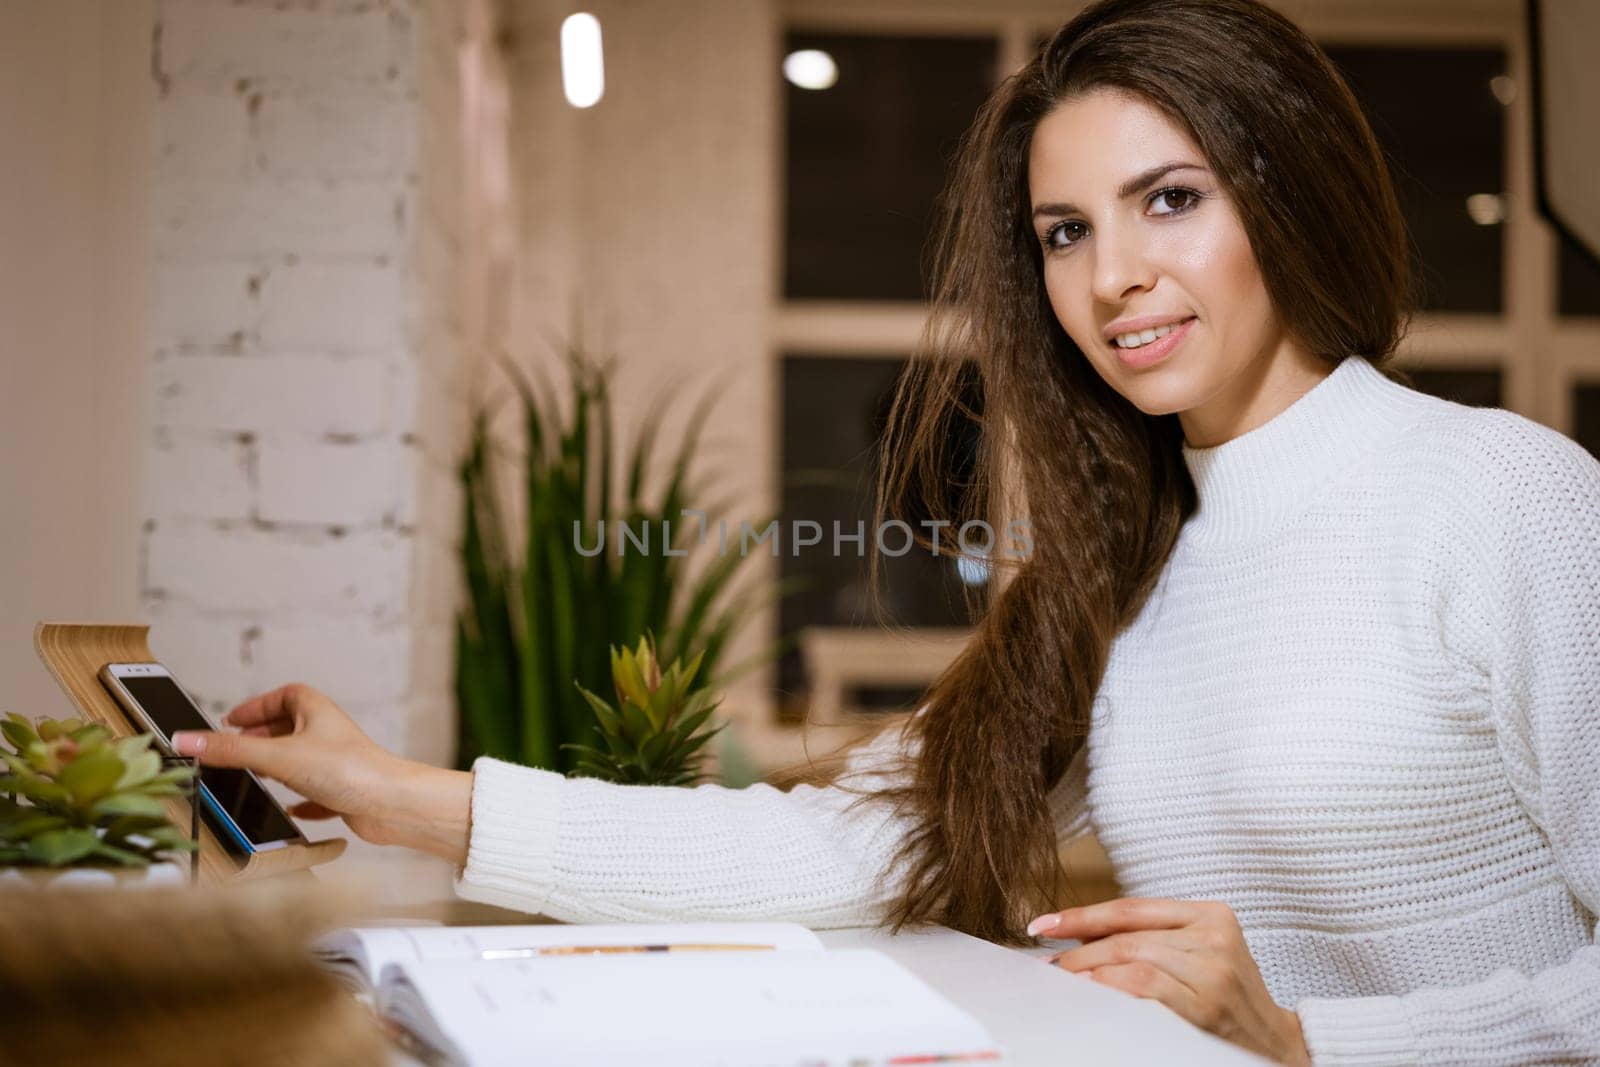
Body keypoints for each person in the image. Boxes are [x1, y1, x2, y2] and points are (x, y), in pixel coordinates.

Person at [173, 0, 1600, 1062]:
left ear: (1286, 193)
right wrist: (392, 792)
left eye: (1171, 200)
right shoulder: (1119, 579)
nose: (1113, 278)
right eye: (1063, 233)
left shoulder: (1503, 497)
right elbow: (840, 853)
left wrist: (1313, 1040)